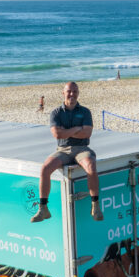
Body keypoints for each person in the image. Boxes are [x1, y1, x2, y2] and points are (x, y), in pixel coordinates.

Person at [33, 82, 102, 222]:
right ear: (63, 93)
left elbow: (87, 133)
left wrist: (67, 132)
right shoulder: (56, 113)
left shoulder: (85, 111)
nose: (72, 94)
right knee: (45, 169)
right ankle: (43, 209)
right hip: (63, 150)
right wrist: (77, 129)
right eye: (69, 91)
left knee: (91, 166)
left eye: (75, 91)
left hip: (82, 149)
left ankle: (95, 205)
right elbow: (57, 134)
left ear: (78, 93)